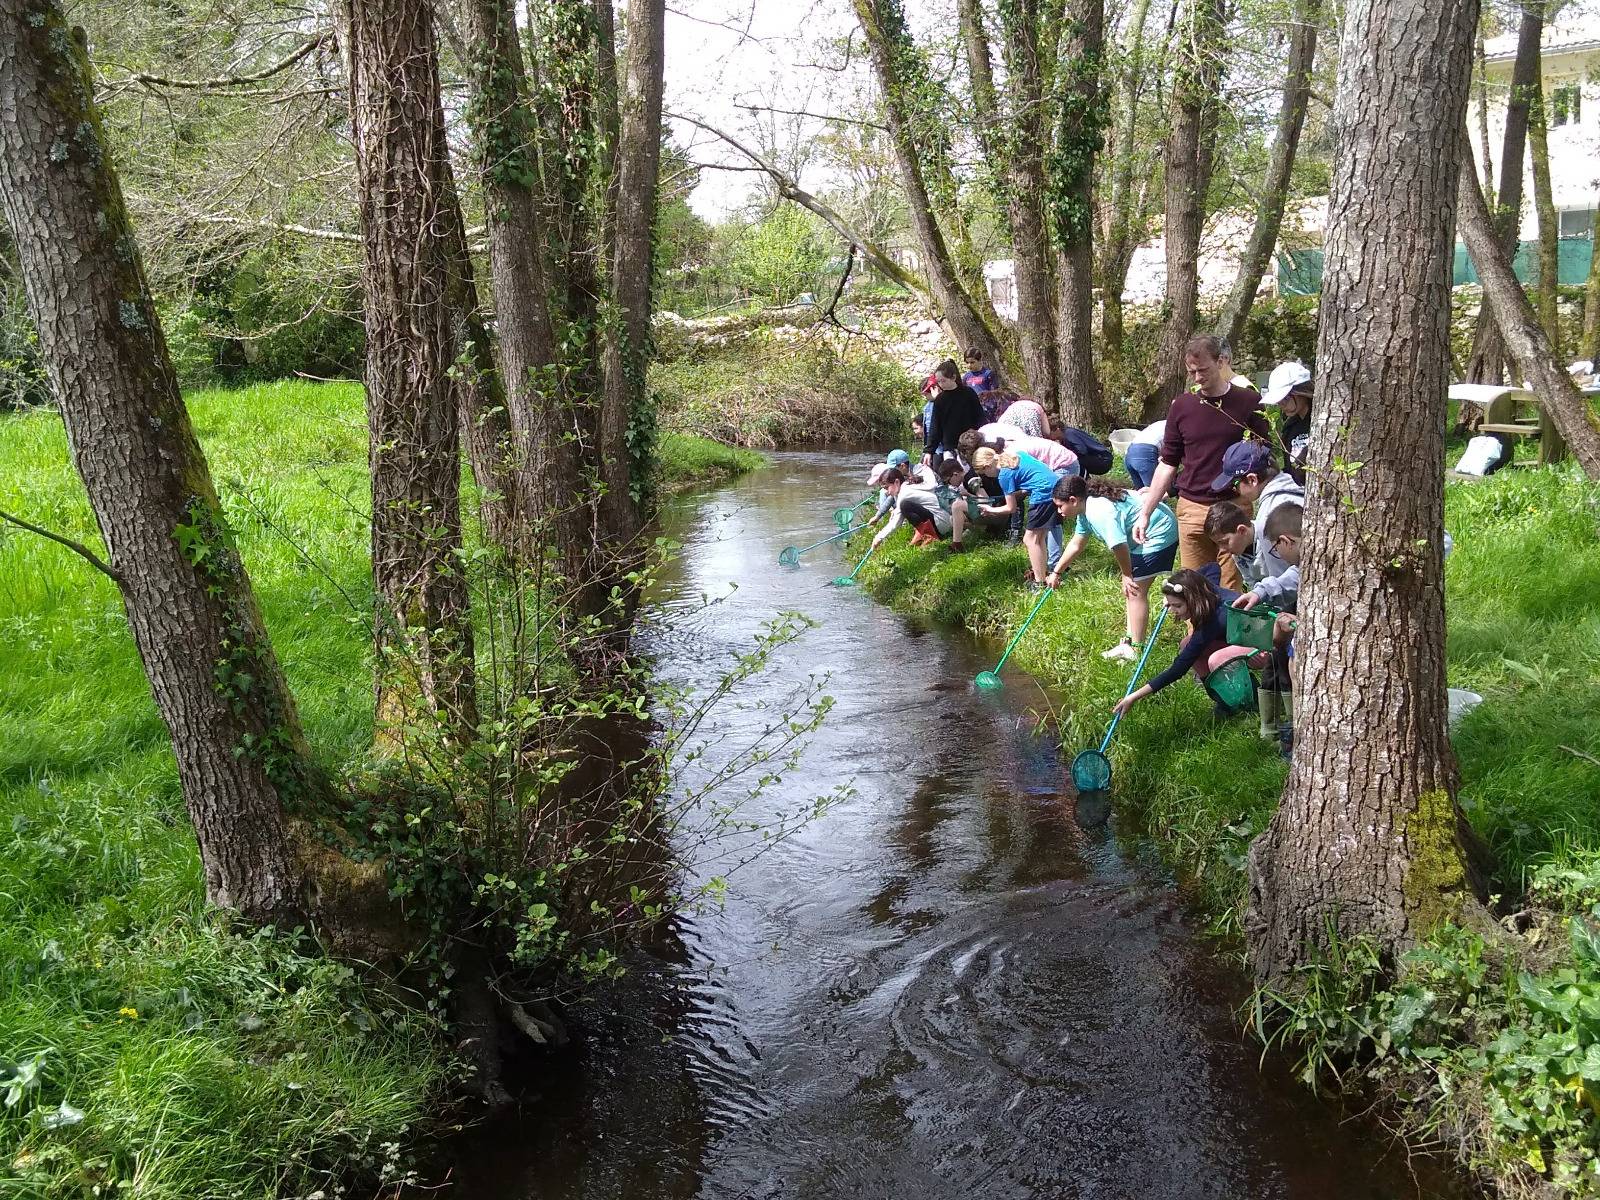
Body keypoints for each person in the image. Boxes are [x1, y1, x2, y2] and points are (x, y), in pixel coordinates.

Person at [1131, 334, 1271, 591]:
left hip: (1233, 506)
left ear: (1221, 361)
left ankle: (1228, 632)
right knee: (1193, 589)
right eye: (1191, 372)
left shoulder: (1248, 401)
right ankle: (1197, 632)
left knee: (1230, 588)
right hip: (1192, 507)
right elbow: (1168, 463)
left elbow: (1265, 453)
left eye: (1203, 370)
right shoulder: (1182, 406)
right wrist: (1145, 513)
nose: (1197, 378)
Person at [1045, 475, 1178, 662]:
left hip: (1159, 531)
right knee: (1131, 591)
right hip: (1146, 532)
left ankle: (1136, 650)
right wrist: (1056, 572)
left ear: (1073, 500)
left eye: (1060, 505)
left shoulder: (1098, 512)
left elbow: (1119, 545)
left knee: (1135, 591)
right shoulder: (1085, 508)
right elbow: (1077, 543)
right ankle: (1129, 643)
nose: (1059, 511)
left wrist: (1127, 574)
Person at [1111, 568, 1262, 720]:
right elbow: (1213, 567)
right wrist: (1176, 591)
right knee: (1186, 643)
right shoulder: (1207, 590)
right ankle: (1224, 700)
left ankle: (1252, 702)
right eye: (1171, 605)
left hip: (1266, 647)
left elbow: (1179, 669)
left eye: (1177, 606)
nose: (1173, 610)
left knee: (1217, 659)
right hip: (1242, 641)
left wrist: (1134, 697)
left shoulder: (1215, 619)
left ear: (1193, 600)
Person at [960, 426, 1080, 560]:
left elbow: (1012, 505)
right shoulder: (1007, 456)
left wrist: (994, 508)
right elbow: (1031, 478)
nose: (987, 476)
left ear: (986, 463)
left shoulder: (1008, 466)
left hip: (1062, 464)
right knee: (1042, 528)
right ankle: (1048, 562)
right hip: (1050, 473)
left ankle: (1053, 563)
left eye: (984, 473)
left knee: (1044, 527)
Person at [1207, 440, 1303, 592]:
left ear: (1252, 479)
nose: (1235, 490)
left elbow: (1283, 574)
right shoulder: (1298, 488)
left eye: (1235, 484)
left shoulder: (1270, 516)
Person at [970, 446, 1061, 587]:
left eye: (983, 473)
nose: (985, 476)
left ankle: (1039, 583)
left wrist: (990, 510)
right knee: (1039, 538)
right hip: (1056, 486)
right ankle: (1042, 574)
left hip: (1043, 494)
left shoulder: (1004, 475)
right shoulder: (1016, 454)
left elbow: (1011, 508)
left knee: (1029, 540)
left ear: (987, 466)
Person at [1261, 361, 1314, 485]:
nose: (1281, 404)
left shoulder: (1319, 422)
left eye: (1285, 398)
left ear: (1301, 392)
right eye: (1278, 401)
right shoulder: (1290, 427)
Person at [924, 359, 986, 465]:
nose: (940, 384)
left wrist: (983, 436)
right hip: (949, 447)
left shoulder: (968, 393)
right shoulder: (940, 400)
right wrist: (929, 451)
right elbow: (935, 427)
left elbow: (980, 417)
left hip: (971, 444)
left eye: (943, 381)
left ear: (953, 377)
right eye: (938, 381)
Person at [1124, 420, 1166, 491]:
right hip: (1145, 453)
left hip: (1130, 451)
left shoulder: (1162, 423)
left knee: (1140, 493)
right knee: (1154, 493)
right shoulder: (1177, 425)